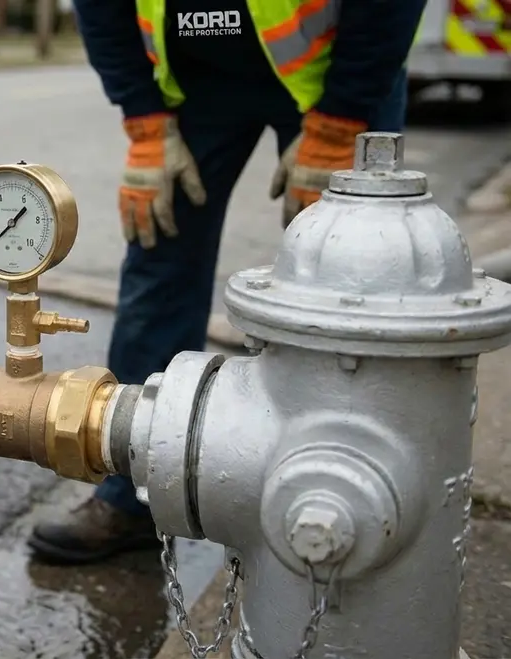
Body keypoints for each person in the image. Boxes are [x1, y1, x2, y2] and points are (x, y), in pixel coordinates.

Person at [27, 0, 427, 565]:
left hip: (337, 73)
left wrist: (341, 123)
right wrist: (143, 122)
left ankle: (363, 500)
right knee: (159, 270)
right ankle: (132, 494)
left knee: (355, 274)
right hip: (194, 86)